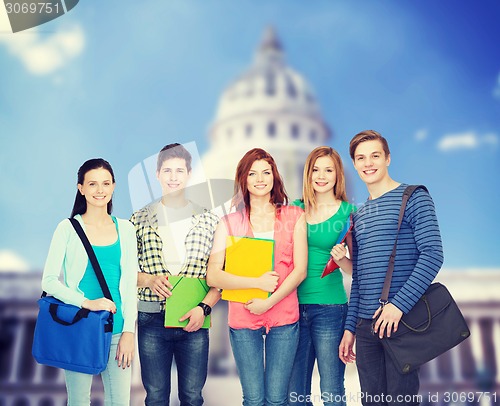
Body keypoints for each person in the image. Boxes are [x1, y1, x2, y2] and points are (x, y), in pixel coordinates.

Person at [339, 130, 444, 405]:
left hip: (402, 322)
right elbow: (359, 277)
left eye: (375, 155)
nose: (368, 163)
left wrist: (397, 306)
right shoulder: (358, 215)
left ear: (388, 158)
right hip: (365, 328)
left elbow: (432, 254)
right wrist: (351, 327)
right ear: (354, 164)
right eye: (360, 158)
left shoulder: (414, 197)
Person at [207, 148, 308, 406]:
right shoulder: (228, 223)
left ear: (274, 177)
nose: (260, 179)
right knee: (253, 399)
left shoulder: (294, 216)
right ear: (244, 179)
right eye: (253, 173)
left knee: (277, 399)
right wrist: (256, 283)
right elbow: (213, 276)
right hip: (242, 316)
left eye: (266, 172)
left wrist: (269, 301)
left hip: (284, 314)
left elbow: (300, 270)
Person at [42, 158, 138, 406]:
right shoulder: (68, 228)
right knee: (79, 401)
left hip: (117, 330)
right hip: (80, 326)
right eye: (92, 184)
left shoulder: (126, 229)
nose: (100, 190)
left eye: (106, 183)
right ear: (80, 188)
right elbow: (49, 281)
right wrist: (87, 303)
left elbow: (129, 284)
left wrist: (129, 331)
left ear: (114, 186)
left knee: (119, 402)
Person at [130, 143, 220, 406]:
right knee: (156, 396)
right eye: (167, 170)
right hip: (151, 320)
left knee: (192, 397)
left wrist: (203, 309)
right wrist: (147, 280)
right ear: (157, 174)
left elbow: (219, 277)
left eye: (179, 170)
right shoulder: (139, 219)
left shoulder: (209, 220)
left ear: (189, 174)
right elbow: (124, 271)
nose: (173, 177)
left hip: (194, 320)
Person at [288, 146, 356, 406]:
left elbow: (354, 270)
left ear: (337, 174)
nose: (321, 175)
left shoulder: (348, 212)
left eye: (328, 170)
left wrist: (341, 260)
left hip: (331, 308)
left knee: (331, 391)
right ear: (308, 174)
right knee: (295, 393)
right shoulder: (295, 209)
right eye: (316, 169)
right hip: (294, 307)